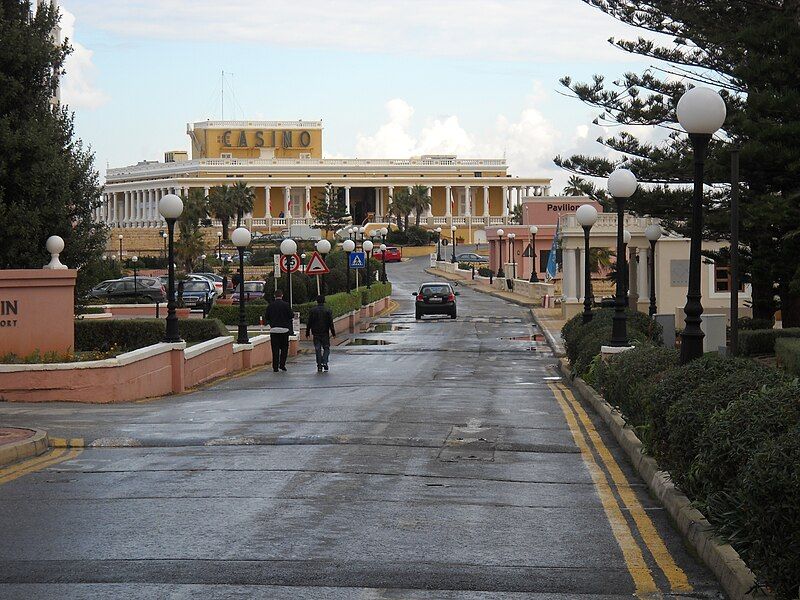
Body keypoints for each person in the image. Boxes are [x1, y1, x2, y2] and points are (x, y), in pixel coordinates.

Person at [264, 290, 293, 372]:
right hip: (284, 330)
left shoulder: (270, 306)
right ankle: (282, 364)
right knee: (284, 348)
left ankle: (275, 367)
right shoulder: (286, 305)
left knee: (275, 349)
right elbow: (291, 315)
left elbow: (267, 317)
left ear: (274, 296)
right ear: (282, 295)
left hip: (274, 330)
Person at [306, 295, 336, 372]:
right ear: (324, 301)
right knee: (326, 348)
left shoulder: (312, 311)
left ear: (317, 301)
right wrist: (333, 333)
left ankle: (319, 365)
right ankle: (325, 362)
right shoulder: (328, 310)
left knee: (317, 349)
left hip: (316, 333)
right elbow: (330, 323)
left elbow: (309, 322)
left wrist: (307, 332)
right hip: (325, 333)